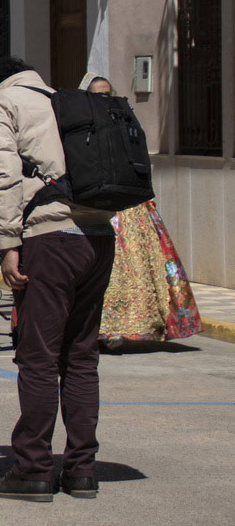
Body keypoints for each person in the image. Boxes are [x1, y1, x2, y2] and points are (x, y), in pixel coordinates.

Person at [0, 57, 116, 502]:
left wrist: (7, 245)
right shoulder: (64, 101)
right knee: (81, 357)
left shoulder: (1, 103)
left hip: (49, 239)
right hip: (97, 237)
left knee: (38, 358)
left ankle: (33, 469)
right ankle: (82, 471)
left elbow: (1, 179)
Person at [79, 77, 202, 346]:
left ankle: (135, 326)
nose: (103, 99)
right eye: (97, 95)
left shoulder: (126, 120)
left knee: (139, 267)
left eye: (107, 94)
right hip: (99, 202)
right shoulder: (82, 125)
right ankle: (103, 329)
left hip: (130, 205)